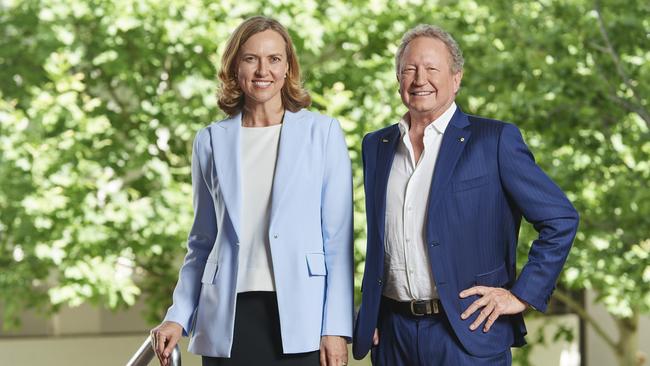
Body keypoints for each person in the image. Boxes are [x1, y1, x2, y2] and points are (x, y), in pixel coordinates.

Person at [352, 24, 579, 365]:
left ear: (456, 79)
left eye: (432, 69)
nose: (419, 79)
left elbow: (560, 218)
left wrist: (521, 295)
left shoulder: (494, 141)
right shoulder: (377, 145)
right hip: (392, 335)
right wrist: (369, 311)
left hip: (467, 334)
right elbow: (380, 240)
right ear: (398, 78)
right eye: (409, 69)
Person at [151, 16, 353, 366]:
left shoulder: (322, 134)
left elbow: (337, 240)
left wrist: (335, 327)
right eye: (251, 59)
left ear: (288, 67)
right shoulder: (211, 141)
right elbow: (201, 241)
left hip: (301, 317)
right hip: (226, 319)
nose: (263, 70)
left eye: (274, 59)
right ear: (235, 67)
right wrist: (178, 314)